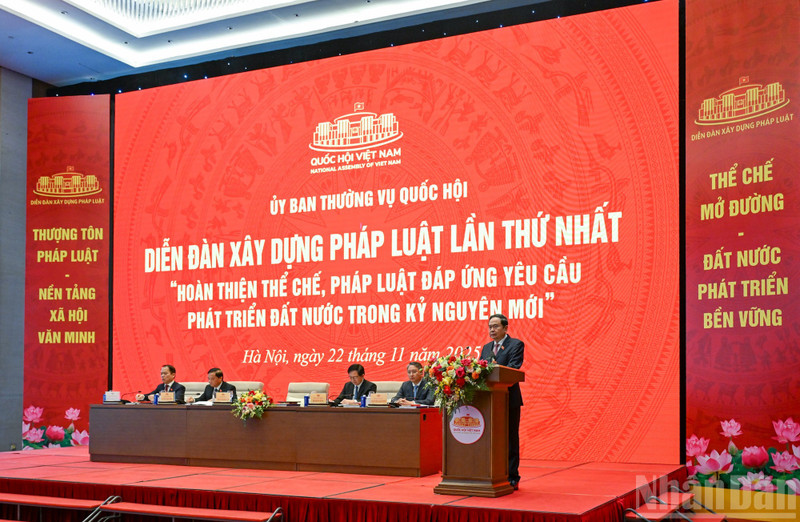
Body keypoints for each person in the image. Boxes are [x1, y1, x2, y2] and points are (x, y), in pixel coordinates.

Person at [479, 313, 524, 490]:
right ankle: (493, 473)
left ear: (505, 328)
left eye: (496, 326)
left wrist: (495, 368)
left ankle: (513, 476)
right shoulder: (486, 347)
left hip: (508, 399)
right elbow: (480, 369)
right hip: (489, 400)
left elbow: (513, 368)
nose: (492, 329)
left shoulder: (515, 344)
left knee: (510, 438)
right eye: (490, 326)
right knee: (491, 439)